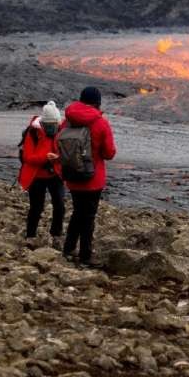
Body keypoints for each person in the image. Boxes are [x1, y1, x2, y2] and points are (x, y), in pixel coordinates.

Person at [62, 87, 117, 268]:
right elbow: (109, 153)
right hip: (93, 178)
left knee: (77, 212)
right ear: (97, 102)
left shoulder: (67, 121)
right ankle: (85, 255)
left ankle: (68, 248)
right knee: (88, 217)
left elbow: (59, 144)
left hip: (72, 175)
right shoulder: (101, 123)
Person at [18, 101, 65, 247]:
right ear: (43, 122)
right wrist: (45, 157)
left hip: (55, 174)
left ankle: (56, 235)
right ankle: (30, 236)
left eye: (55, 124)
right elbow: (27, 157)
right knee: (36, 207)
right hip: (37, 176)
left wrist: (58, 158)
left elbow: (65, 153)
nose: (53, 127)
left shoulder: (61, 131)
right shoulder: (32, 133)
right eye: (50, 124)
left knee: (60, 205)